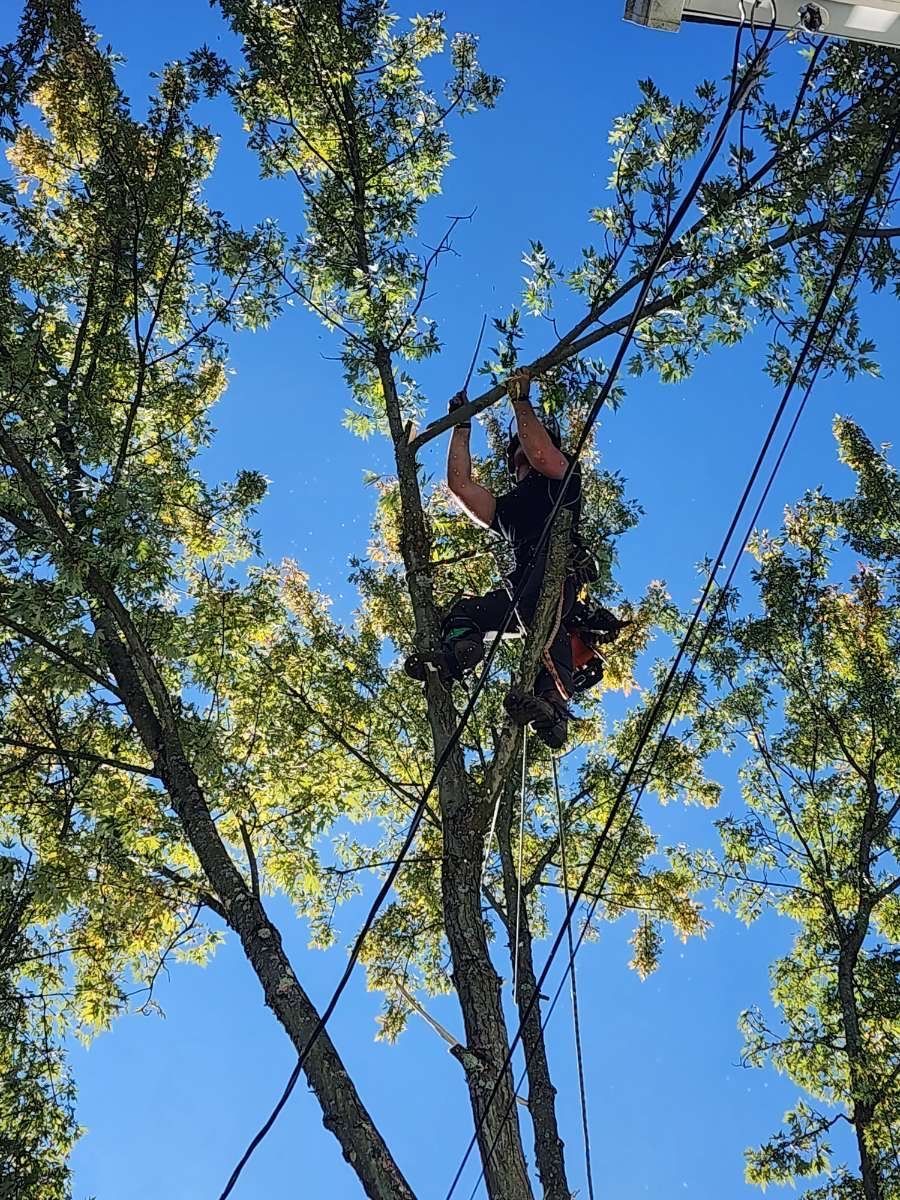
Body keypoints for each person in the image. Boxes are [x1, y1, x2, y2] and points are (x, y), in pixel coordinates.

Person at [405, 368, 580, 749]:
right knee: (466, 612)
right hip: (521, 590)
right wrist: (461, 427)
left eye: (525, 452)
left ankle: (551, 707)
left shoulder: (563, 478)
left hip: (556, 574)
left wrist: (520, 401)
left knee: (543, 618)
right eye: (516, 456)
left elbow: (541, 453)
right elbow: (460, 485)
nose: (523, 459)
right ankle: (457, 655)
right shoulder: (508, 510)